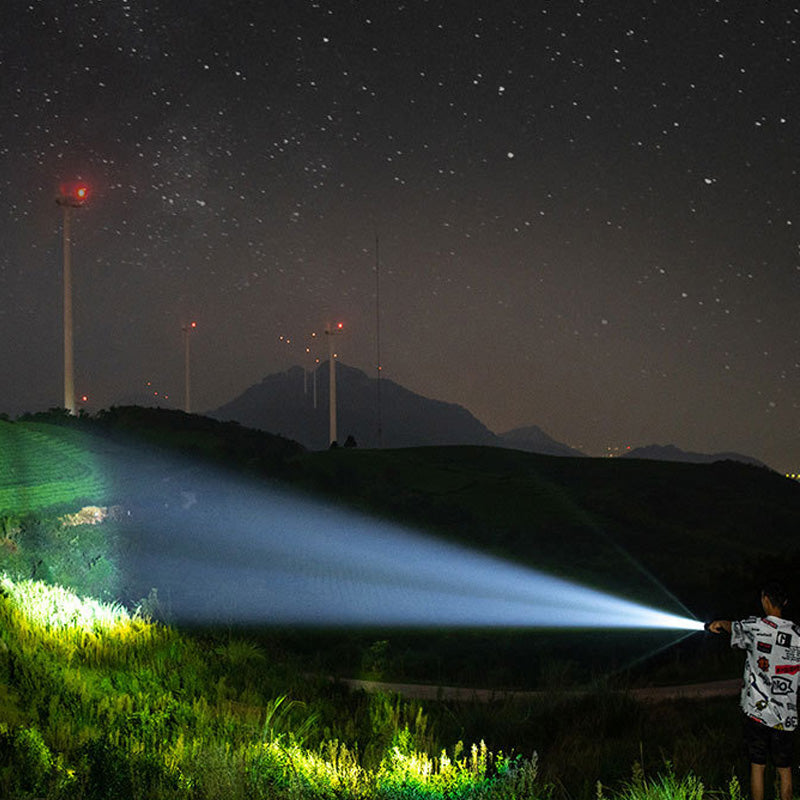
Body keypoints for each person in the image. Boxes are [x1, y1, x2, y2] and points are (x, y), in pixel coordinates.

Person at [708, 582, 800, 800]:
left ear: (764, 600)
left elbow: (732, 627)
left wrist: (718, 623)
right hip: (786, 716)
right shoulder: (797, 634)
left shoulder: (755, 626)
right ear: (785, 602)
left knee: (757, 766)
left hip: (757, 714)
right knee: (784, 769)